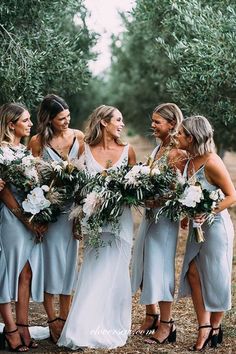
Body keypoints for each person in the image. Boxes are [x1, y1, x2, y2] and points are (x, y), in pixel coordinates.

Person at [57, 104, 136, 349]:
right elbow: (77, 188)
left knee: (116, 271)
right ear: (103, 122)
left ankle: (111, 323)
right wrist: (83, 209)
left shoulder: (128, 151)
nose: (121, 125)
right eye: (118, 120)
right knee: (94, 268)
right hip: (93, 219)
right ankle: (83, 326)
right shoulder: (85, 149)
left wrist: (120, 197)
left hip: (120, 220)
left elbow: (135, 188)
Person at [176, 115, 236, 351]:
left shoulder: (212, 162)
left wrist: (207, 211)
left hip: (216, 227)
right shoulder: (189, 160)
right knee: (192, 272)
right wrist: (186, 214)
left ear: (191, 137)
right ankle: (204, 325)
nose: (177, 136)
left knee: (216, 276)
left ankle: (215, 326)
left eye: (180, 133)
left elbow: (232, 195)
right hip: (196, 227)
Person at [28, 94, 84, 342]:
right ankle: (52, 320)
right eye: (61, 118)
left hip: (72, 211)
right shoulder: (37, 142)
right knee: (52, 266)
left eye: (68, 116)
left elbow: (84, 174)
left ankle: (67, 317)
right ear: (49, 119)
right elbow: (33, 180)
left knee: (70, 264)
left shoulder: (78, 137)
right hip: (50, 213)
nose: (67, 121)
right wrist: (38, 213)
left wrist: (81, 211)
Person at [131, 103, 186, 344]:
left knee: (161, 269)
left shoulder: (178, 153)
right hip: (150, 216)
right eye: (152, 121)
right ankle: (151, 315)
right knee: (143, 264)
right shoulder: (158, 148)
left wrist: (158, 198)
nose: (152, 125)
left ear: (172, 124)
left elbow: (181, 190)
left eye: (157, 122)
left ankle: (167, 324)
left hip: (165, 220)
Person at [0, 103, 45, 351]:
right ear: (11, 124)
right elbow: (4, 191)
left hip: (29, 216)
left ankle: (24, 324)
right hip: (10, 217)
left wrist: (39, 214)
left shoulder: (26, 153)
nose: (30, 125)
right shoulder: (1, 152)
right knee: (7, 272)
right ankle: (11, 329)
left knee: (26, 272)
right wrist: (24, 219)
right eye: (26, 121)